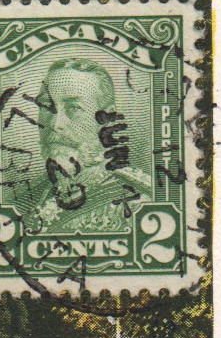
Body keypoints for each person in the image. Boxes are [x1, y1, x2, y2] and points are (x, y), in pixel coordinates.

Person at [20, 57, 155, 233]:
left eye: (73, 108)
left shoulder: (139, 201)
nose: (55, 124)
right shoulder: (27, 197)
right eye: (46, 107)